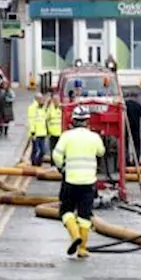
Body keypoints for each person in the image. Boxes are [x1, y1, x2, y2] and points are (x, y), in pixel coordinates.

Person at [53, 105, 106, 258]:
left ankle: (74, 234)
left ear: (73, 120)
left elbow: (56, 155)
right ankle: (82, 249)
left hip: (70, 180)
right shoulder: (94, 137)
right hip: (88, 182)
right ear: (87, 121)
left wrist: (62, 167)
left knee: (66, 210)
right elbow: (101, 152)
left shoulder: (66, 136)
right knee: (84, 215)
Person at [124, 92, 141, 166]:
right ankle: (136, 160)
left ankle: (126, 160)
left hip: (125, 126)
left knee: (125, 144)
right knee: (137, 144)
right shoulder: (138, 105)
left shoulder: (124, 105)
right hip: (135, 127)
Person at [27, 92, 49, 166]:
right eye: (40, 99)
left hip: (43, 133)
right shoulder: (32, 108)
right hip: (36, 133)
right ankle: (34, 164)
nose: (42, 100)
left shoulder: (43, 108)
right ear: (36, 99)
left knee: (43, 151)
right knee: (35, 150)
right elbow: (31, 120)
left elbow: (45, 119)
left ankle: (39, 163)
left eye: (42, 99)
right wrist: (33, 132)